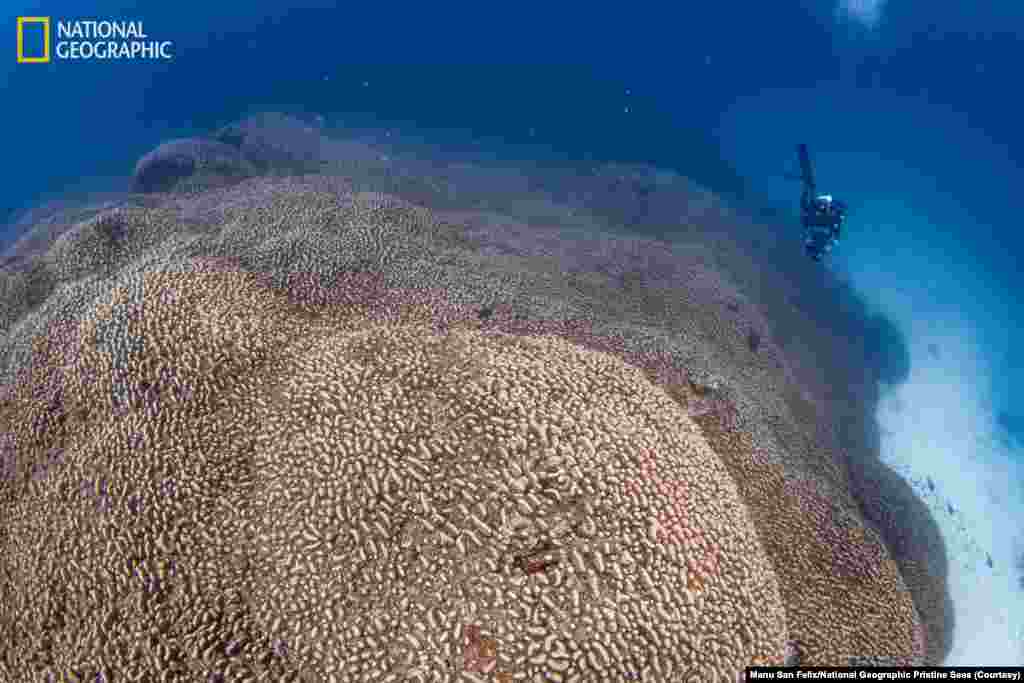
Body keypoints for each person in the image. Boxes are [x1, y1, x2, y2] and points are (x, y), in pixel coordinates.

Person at [791, 144, 846, 261]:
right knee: (808, 206)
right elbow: (835, 229)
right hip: (820, 219)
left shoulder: (820, 244)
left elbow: (808, 228)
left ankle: (808, 188)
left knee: (807, 206)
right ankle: (809, 188)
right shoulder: (825, 243)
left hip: (817, 219)